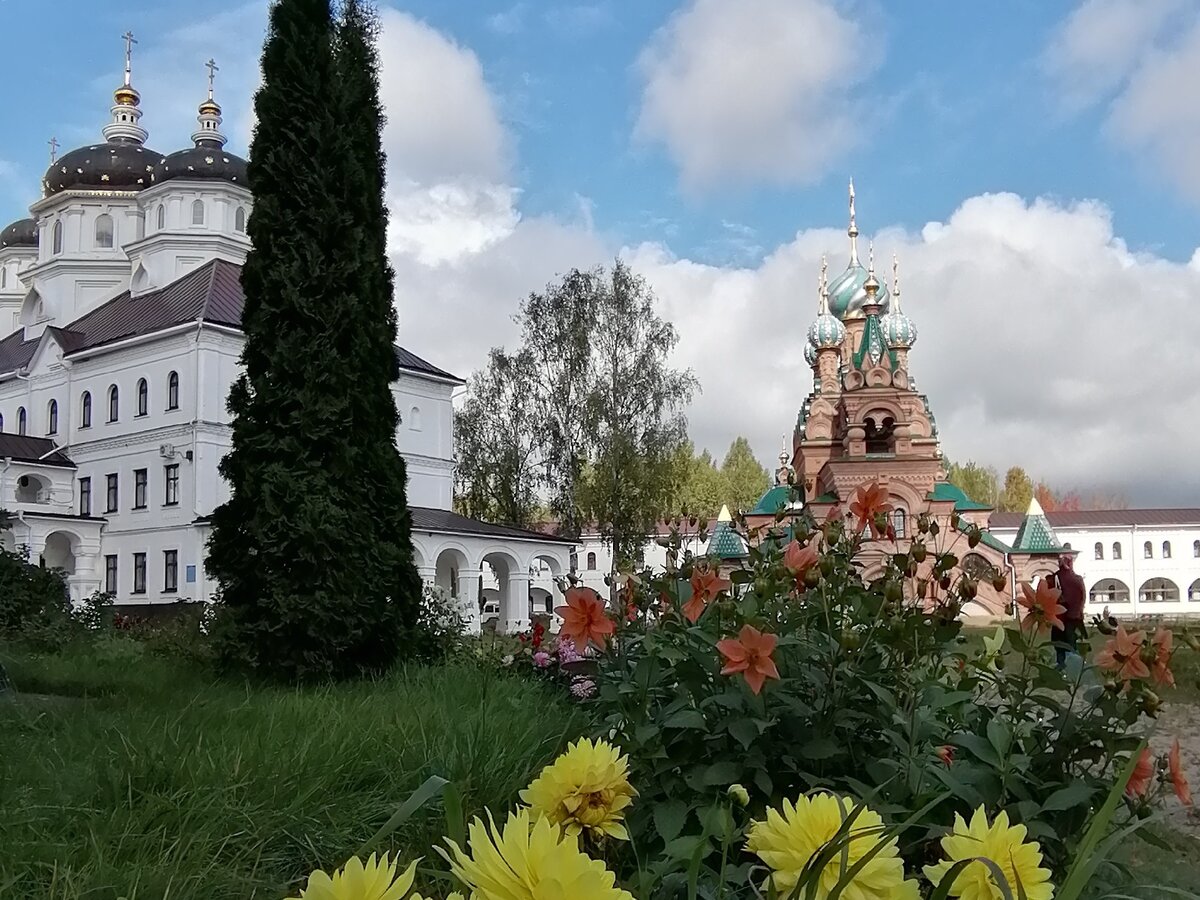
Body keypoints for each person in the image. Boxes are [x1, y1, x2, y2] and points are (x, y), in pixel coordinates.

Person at [1052, 554, 1086, 668]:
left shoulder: (1055, 578)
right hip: (1070, 617)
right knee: (1070, 642)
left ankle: (1063, 665)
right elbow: (1082, 598)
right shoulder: (1076, 579)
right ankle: (1071, 665)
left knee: (1063, 643)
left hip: (1062, 617)